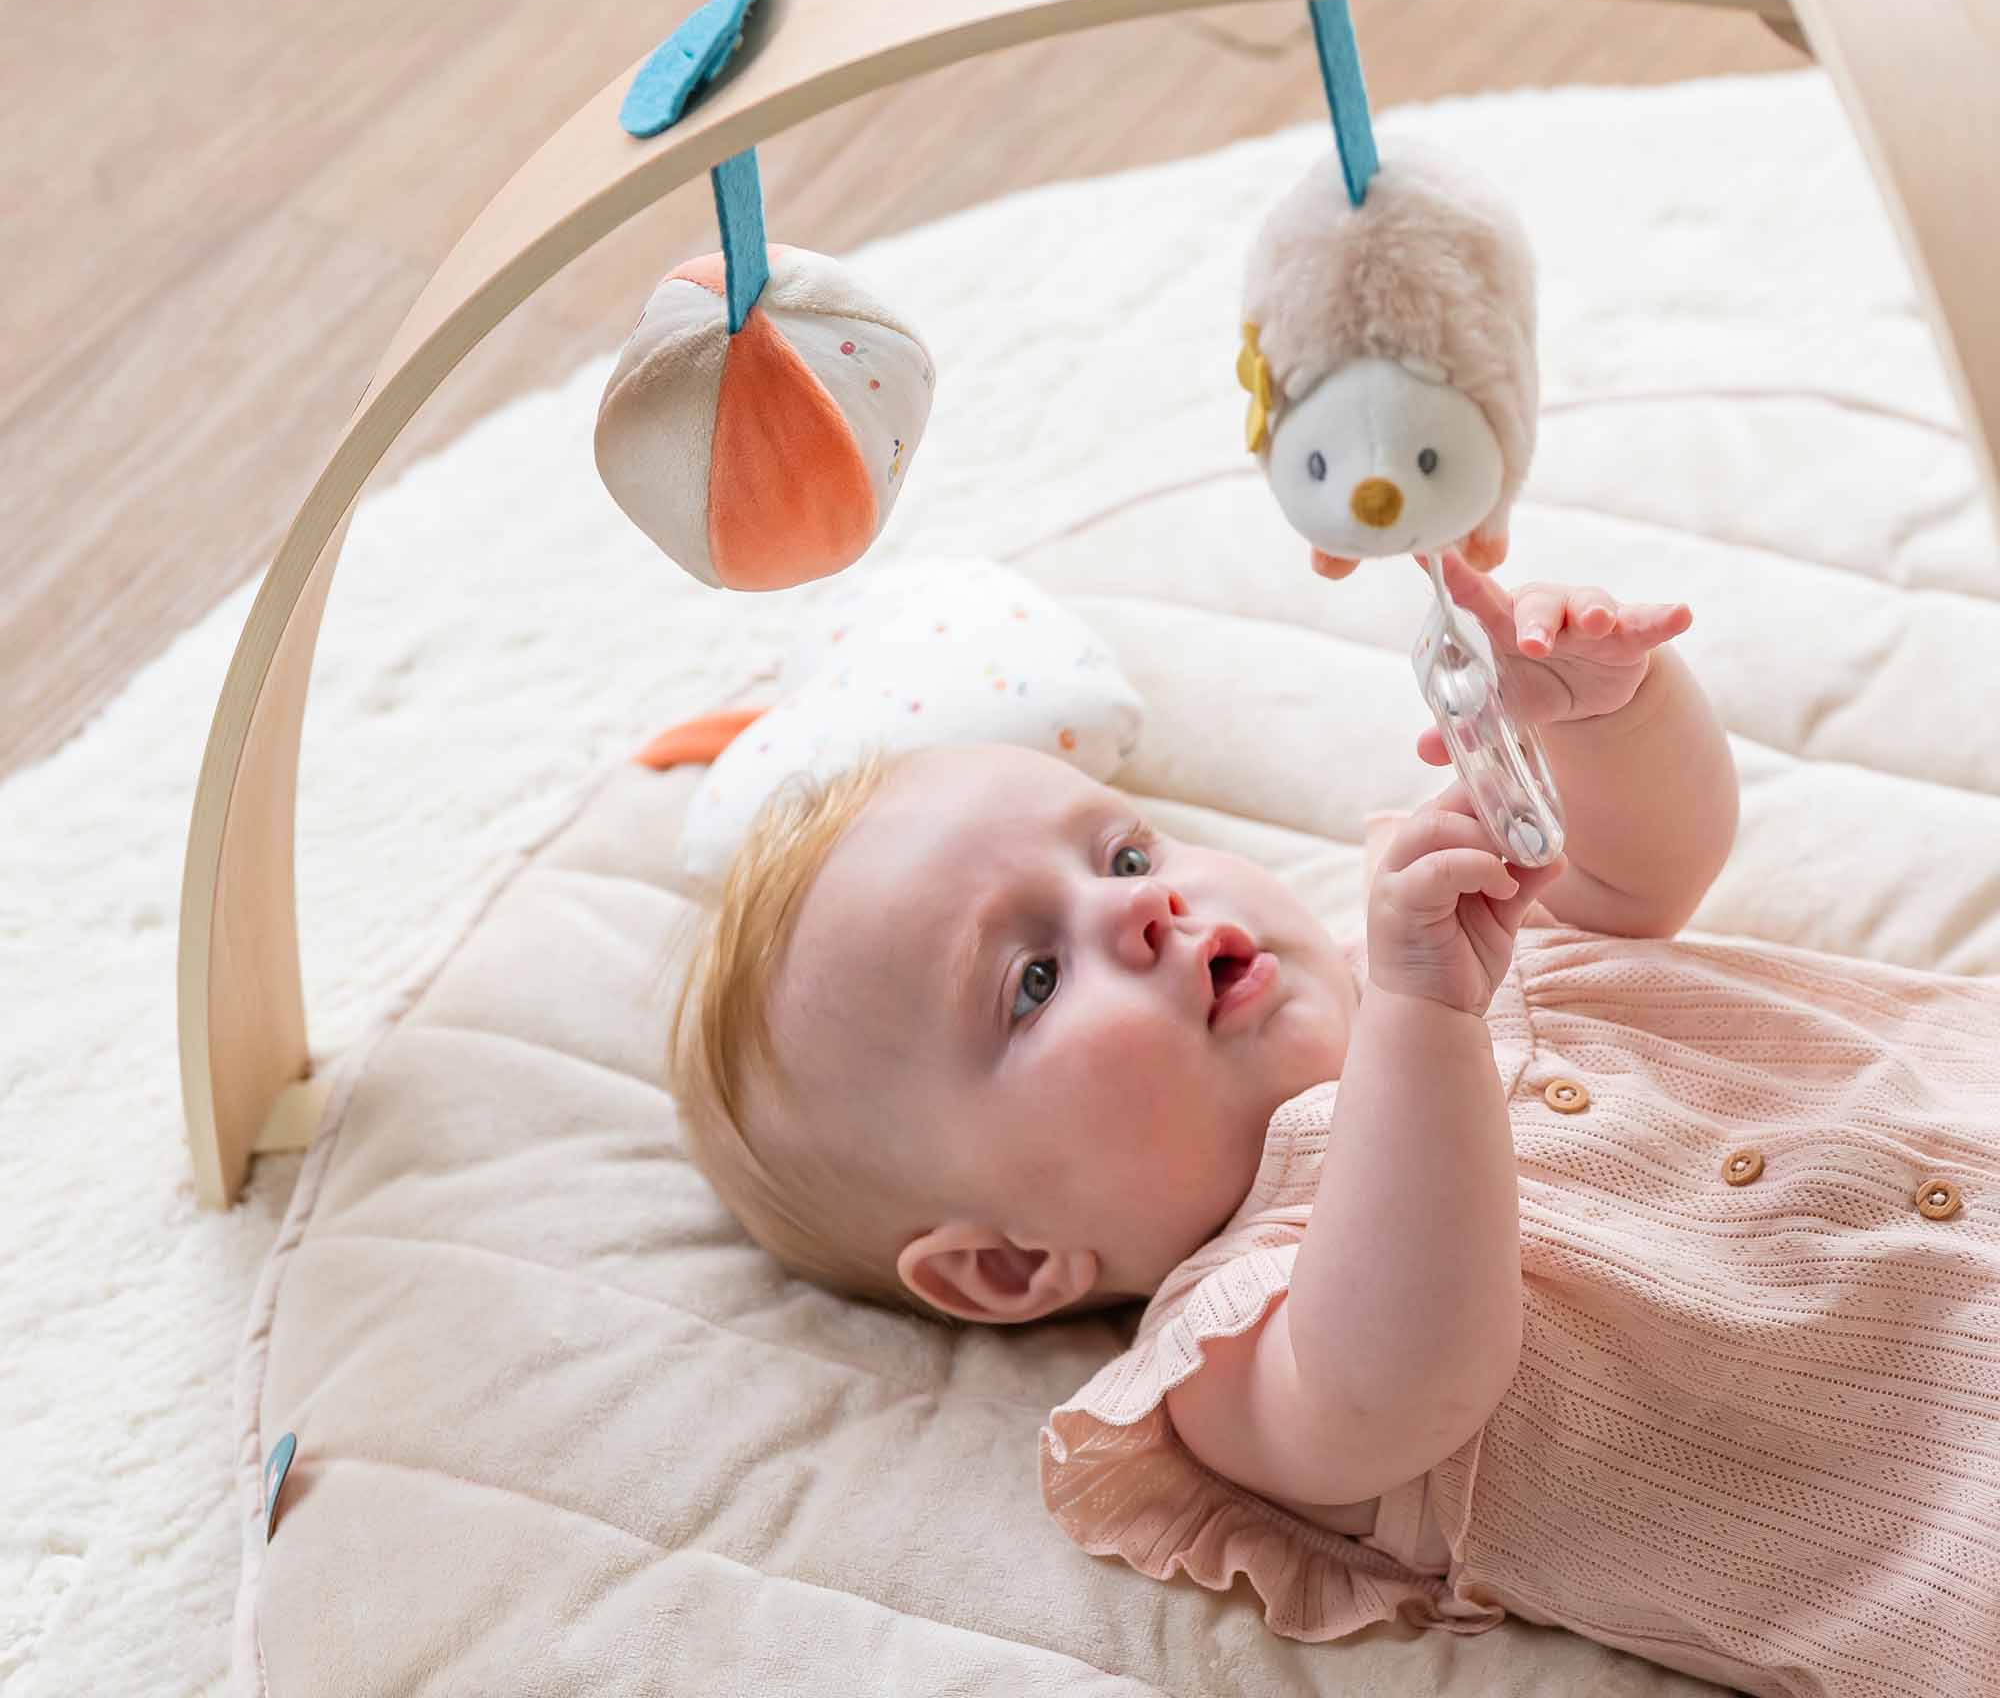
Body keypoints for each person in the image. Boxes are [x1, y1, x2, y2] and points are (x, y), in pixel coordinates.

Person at [667, 550, 2000, 1697]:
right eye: (1032, 980)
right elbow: (1410, 1375)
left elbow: (1649, 864)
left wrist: (1611, 715)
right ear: (1013, 1264)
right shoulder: (1239, 1354)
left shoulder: (1442, 950)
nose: (1139, 910)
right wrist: (1423, 1019)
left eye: (1124, 854)